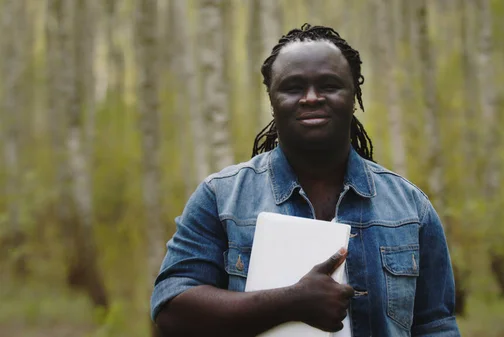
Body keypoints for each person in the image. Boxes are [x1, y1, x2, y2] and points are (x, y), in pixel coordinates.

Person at [150, 24, 460, 337]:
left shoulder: (410, 207)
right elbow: (171, 309)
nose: (311, 98)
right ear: (272, 99)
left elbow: (436, 325)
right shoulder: (221, 197)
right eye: (293, 87)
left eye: (329, 85)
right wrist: (291, 302)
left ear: (354, 94)